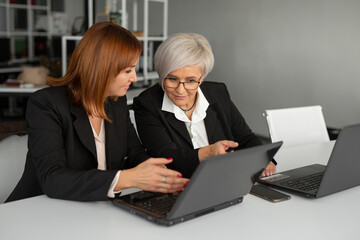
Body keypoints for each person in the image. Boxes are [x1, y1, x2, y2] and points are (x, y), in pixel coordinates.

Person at [6, 22, 188, 203]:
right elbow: (53, 179)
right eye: (127, 70)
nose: (134, 77)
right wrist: (126, 179)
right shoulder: (46, 104)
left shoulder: (117, 102)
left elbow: (134, 153)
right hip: (36, 211)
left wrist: (160, 173)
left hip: (93, 209)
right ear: (102, 68)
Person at [133, 33, 276, 179]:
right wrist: (209, 153)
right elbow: (165, 158)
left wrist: (264, 159)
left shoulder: (218, 93)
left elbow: (245, 138)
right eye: (172, 79)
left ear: (202, 78)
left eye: (190, 80)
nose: (180, 90)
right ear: (161, 74)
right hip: (179, 185)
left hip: (226, 178)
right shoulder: (146, 103)